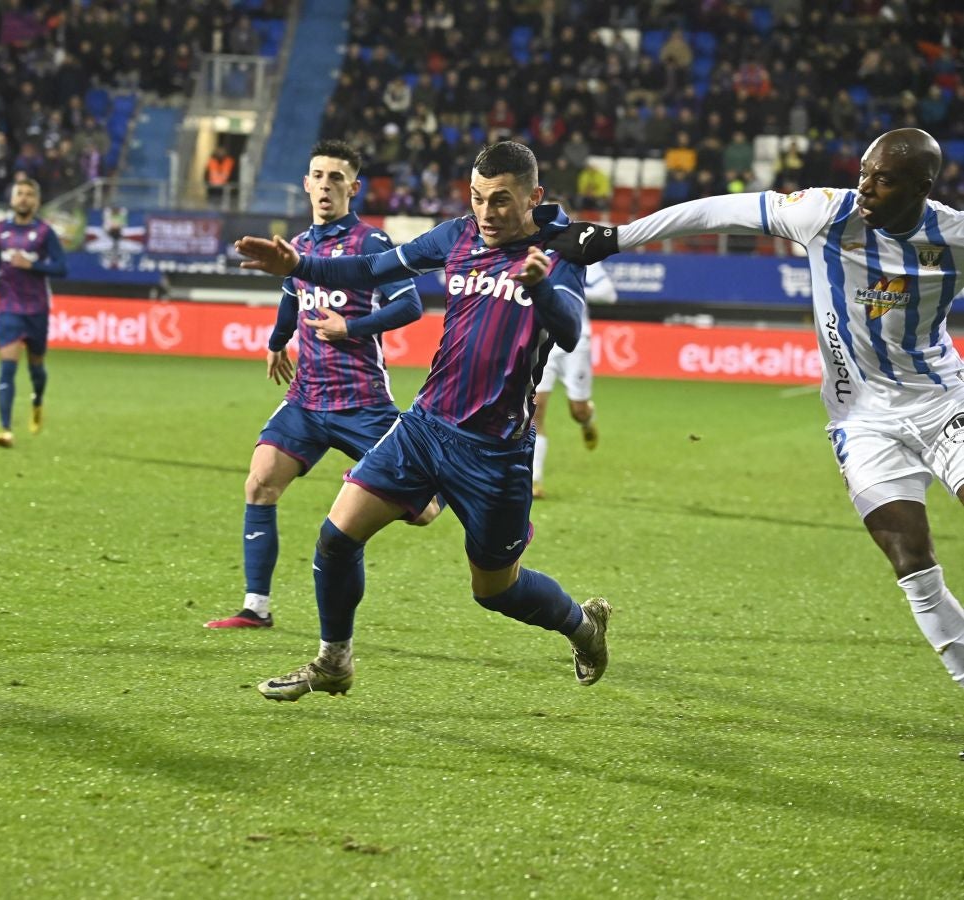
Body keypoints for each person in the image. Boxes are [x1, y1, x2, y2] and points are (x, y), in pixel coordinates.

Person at [549, 128, 964, 698]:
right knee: (911, 563)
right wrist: (618, 237)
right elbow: (717, 209)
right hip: (861, 422)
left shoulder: (954, 235)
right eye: (864, 171)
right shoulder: (825, 212)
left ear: (922, 186)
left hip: (943, 403)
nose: (865, 187)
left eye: (883, 179)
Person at [235, 141, 613, 700]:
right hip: (425, 427)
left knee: (494, 591)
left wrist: (537, 289)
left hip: (495, 453)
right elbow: (370, 268)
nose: (487, 213)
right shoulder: (458, 235)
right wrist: (299, 265)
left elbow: (571, 329)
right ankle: (333, 660)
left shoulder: (558, 254)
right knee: (337, 537)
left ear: (534, 197)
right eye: (478, 198)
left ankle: (583, 626)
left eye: (502, 201)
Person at [205, 139, 441, 630]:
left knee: (422, 512)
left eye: (338, 178)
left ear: (353, 188)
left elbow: (411, 305)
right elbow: (292, 295)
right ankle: (256, 607)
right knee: (260, 481)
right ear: (306, 184)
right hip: (308, 399)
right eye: (319, 175)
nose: (326, 185)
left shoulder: (371, 245)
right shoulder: (300, 247)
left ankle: (445, 483)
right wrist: (277, 341)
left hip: (362, 402)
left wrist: (350, 328)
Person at [530, 201, 618, 499]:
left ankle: (587, 419)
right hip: (542, 340)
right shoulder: (531, 253)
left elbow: (609, 293)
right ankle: (534, 480)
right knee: (535, 410)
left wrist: (566, 290)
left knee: (577, 410)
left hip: (575, 341)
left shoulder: (579, 253)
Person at [0, 177, 68, 448]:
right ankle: (5, 429)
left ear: (37, 201)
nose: (24, 198)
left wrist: (32, 264)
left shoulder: (44, 232)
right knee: (7, 368)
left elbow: (61, 267)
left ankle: (37, 400)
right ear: (12, 199)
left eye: (30, 194)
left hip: (37, 308)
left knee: (36, 369)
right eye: (20, 194)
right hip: (9, 307)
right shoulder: (0, 230)